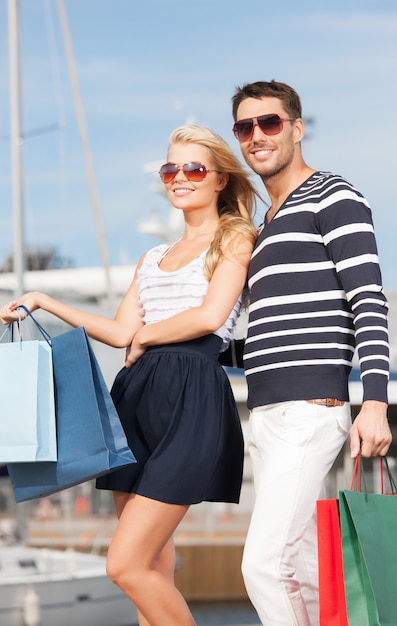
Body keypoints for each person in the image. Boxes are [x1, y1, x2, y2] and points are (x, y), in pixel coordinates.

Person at [0, 125, 258, 626]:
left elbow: (210, 317)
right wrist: (45, 302)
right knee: (154, 565)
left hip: (192, 394)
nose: (179, 178)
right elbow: (121, 332)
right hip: (136, 395)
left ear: (221, 179)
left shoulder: (235, 237)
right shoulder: (152, 258)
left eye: (193, 169)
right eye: (171, 169)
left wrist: (150, 335)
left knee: (125, 564)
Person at [230, 80, 392, 626]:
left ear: (296, 129)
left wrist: (376, 401)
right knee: (298, 566)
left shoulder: (333, 194)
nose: (257, 136)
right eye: (245, 127)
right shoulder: (263, 227)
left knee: (265, 568)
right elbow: (264, 335)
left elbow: (368, 300)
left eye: (269, 122)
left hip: (311, 409)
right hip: (266, 414)